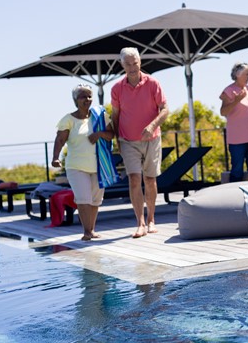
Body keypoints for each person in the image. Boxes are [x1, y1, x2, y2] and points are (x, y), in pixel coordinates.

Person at [111, 47, 169, 238]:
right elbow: (116, 115)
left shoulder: (153, 83)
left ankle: (151, 219)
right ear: (122, 65)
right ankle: (140, 223)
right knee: (134, 179)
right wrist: (117, 139)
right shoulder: (117, 89)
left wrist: (152, 126)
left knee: (150, 179)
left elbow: (165, 110)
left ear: (140, 62)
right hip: (128, 140)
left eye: (135, 62)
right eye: (128, 64)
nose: (132, 67)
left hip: (152, 138)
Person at [51, 84, 115, 241]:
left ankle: (91, 230)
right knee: (83, 199)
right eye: (82, 96)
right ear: (75, 100)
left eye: (89, 96)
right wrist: (55, 157)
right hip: (76, 167)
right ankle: (86, 232)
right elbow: (60, 140)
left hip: (99, 166)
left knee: (95, 200)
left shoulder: (100, 115)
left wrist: (99, 134)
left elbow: (111, 134)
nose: (87, 99)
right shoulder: (68, 120)